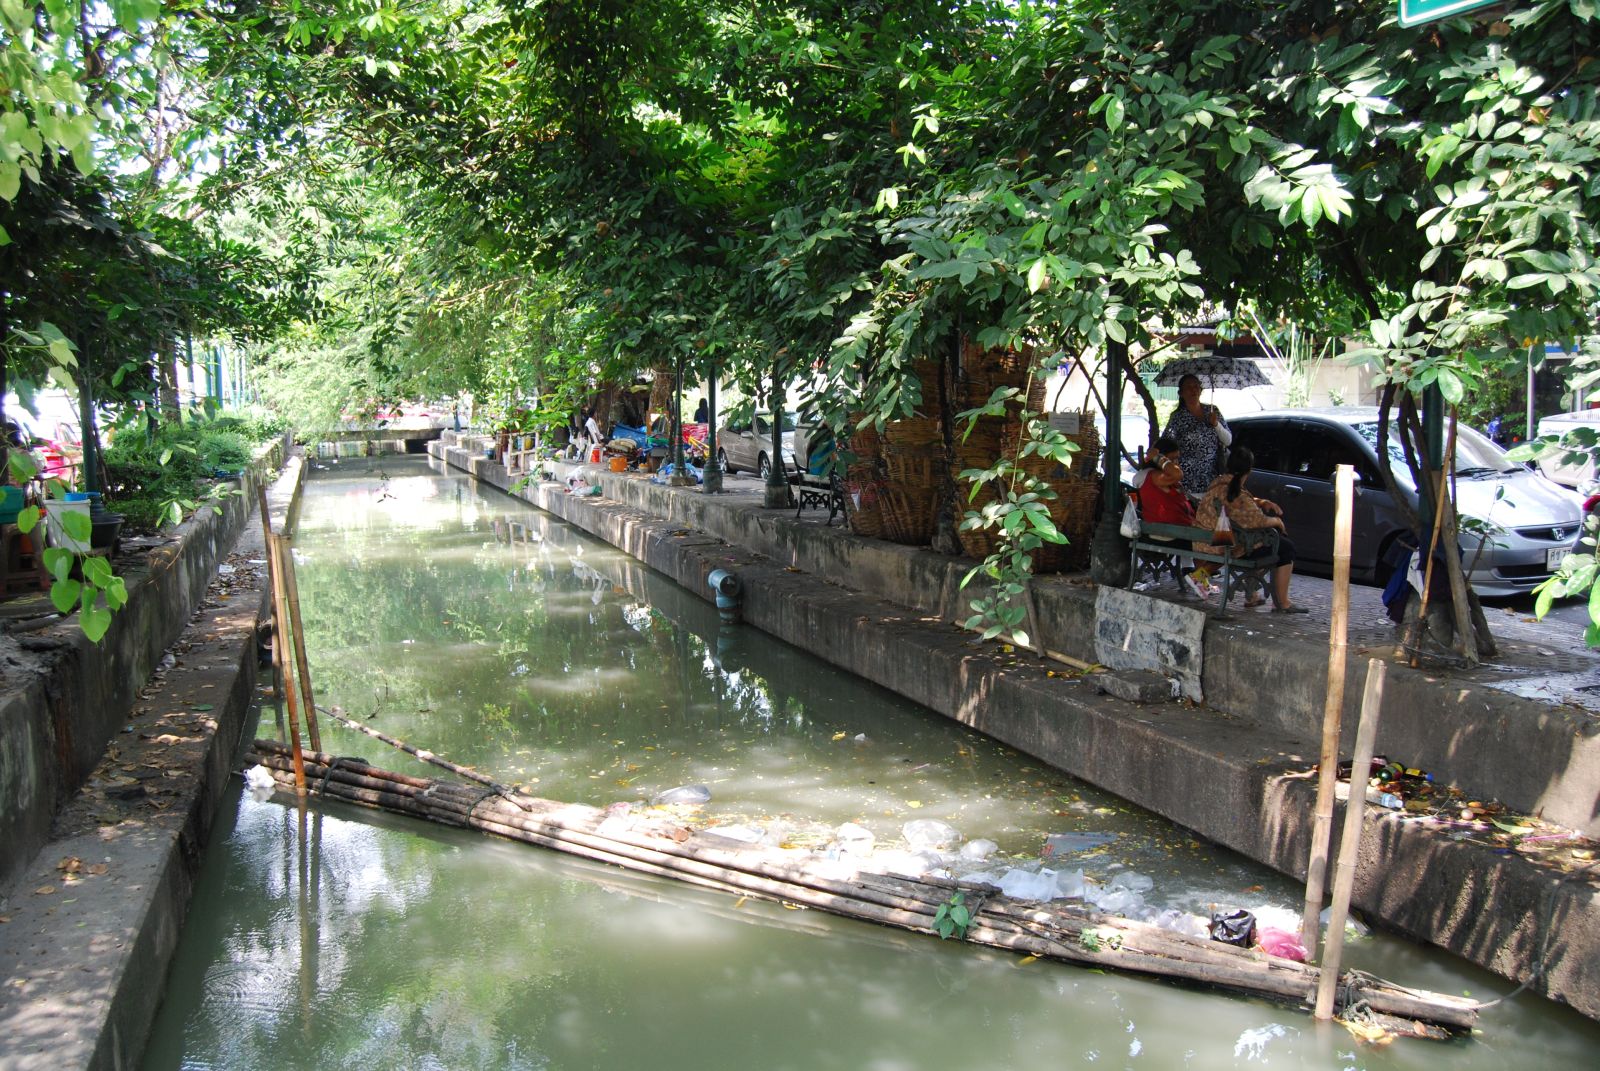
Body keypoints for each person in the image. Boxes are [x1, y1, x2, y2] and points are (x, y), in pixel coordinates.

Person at [1193, 447, 1307, 613]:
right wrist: (1276, 521)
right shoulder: (1236, 492)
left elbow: (1243, 505)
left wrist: (1261, 502)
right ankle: (1282, 602)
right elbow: (1256, 520)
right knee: (1285, 547)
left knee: (1261, 543)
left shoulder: (1217, 483)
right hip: (1224, 547)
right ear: (1249, 470)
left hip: (1206, 542)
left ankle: (1252, 595)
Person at [1134, 435, 1209, 598]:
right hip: (1169, 533)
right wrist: (1157, 457)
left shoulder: (1161, 478)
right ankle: (1198, 579)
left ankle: (1195, 576)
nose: (1176, 463)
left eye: (1177, 459)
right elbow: (1177, 474)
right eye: (1172, 459)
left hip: (1177, 529)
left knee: (1208, 539)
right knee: (1211, 544)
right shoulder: (1155, 476)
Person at [1162, 373, 1232, 498]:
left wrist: (1216, 424)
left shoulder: (1212, 411)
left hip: (1213, 479)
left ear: (1201, 389)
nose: (1193, 390)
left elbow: (1228, 440)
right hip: (1187, 481)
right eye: (1188, 387)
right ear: (1181, 393)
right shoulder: (1177, 417)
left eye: (1196, 386)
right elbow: (1166, 444)